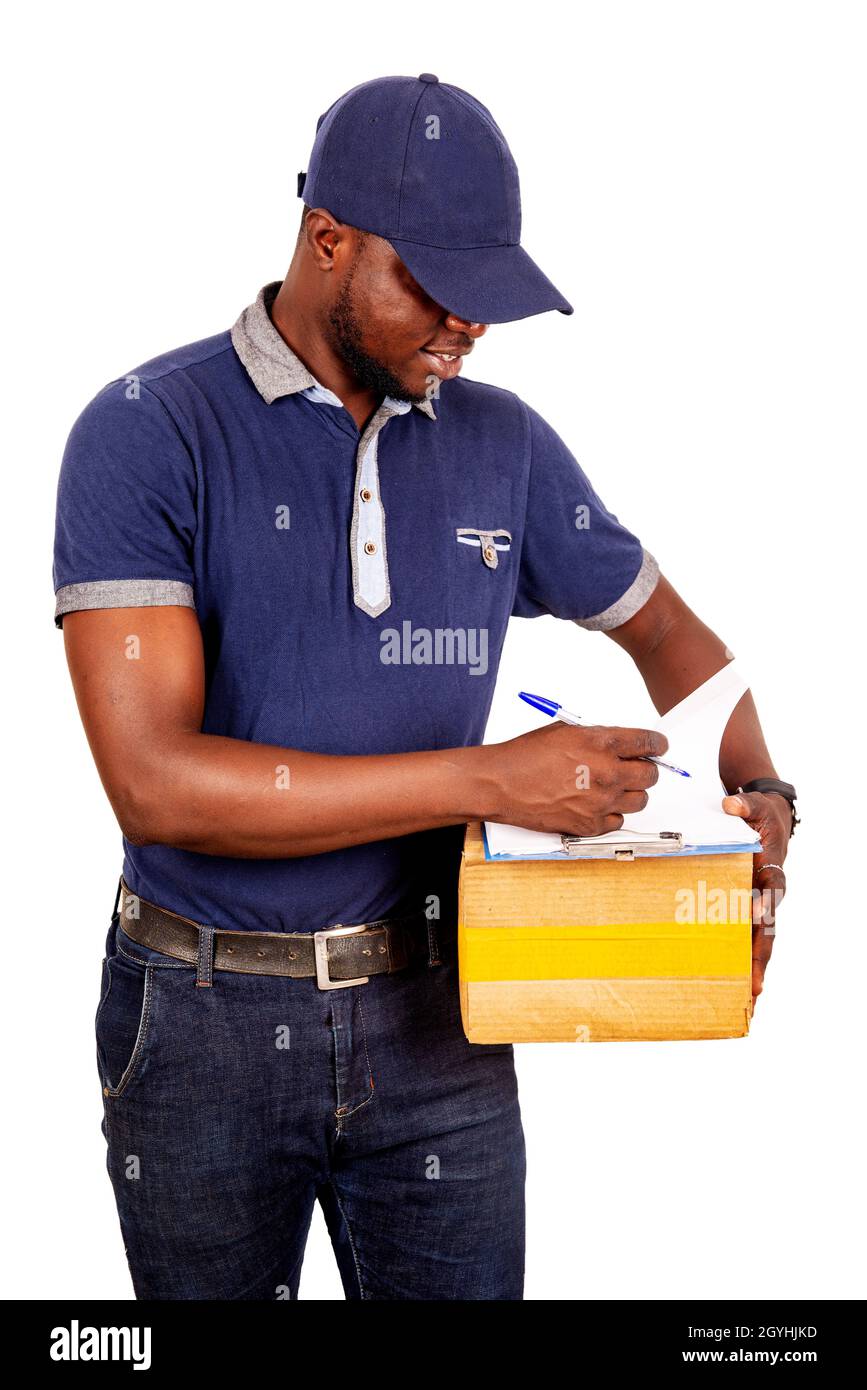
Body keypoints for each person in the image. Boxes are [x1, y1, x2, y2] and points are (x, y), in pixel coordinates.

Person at [53, 73, 796, 1301]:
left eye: (487, 299)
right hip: (200, 1023)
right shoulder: (147, 431)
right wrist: (491, 779)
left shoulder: (502, 441)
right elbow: (155, 784)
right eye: (437, 289)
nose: (467, 329)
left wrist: (754, 783)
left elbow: (671, 634)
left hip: (441, 1016)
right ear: (327, 241)